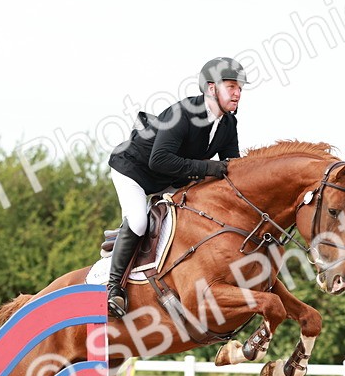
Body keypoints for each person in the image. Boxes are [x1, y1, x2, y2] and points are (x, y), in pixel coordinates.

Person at [104, 56, 247, 317]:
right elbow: (158, 160)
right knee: (138, 222)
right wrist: (209, 168)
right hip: (134, 169)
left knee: (196, 216)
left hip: (170, 178)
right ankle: (114, 290)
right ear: (211, 88)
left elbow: (231, 166)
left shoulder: (228, 124)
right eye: (231, 87)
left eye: (239, 88)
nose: (237, 93)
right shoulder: (183, 113)